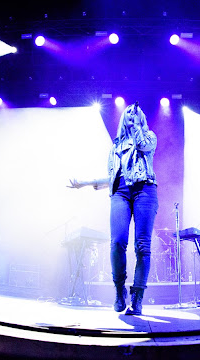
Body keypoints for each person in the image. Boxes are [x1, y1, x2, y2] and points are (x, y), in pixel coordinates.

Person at [69, 102, 158, 315]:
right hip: (120, 193)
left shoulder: (149, 136)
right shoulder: (116, 146)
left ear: (140, 118)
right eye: (127, 113)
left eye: (134, 113)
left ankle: (137, 298)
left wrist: (137, 125)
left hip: (145, 191)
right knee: (117, 242)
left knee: (142, 246)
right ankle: (119, 291)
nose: (130, 115)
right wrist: (85, 182)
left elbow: (143, 146)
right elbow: (112, 177)